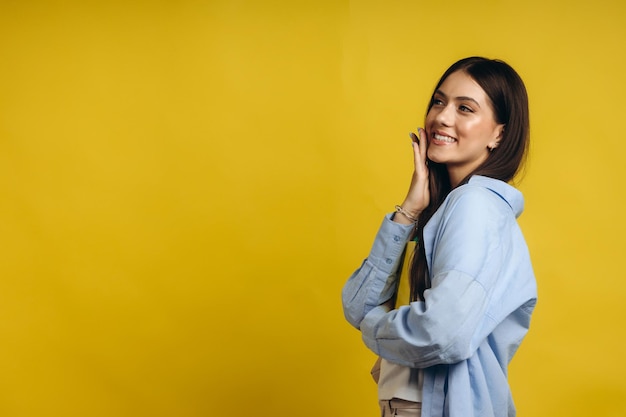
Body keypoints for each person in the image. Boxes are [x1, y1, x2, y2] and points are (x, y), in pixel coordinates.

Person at [341, 57, 537, 417]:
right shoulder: (447, 208)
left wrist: (373, 328)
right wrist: (409, 211)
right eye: (439, 101)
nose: (442, 117)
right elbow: (358, 304)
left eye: (465, 108)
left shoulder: (474, 205)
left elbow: (442, 332)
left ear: (500, 134)